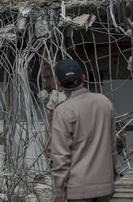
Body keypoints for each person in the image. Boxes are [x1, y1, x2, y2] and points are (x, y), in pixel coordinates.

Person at [50, 59, 117, 202]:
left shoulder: (62, 111)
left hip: (78, 189)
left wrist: (59, 192)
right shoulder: (104, 102)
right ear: (83, 78)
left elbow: (60, 156)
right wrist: (112, 178)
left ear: (59, 83)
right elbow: (112, 146)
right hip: (105, 186)